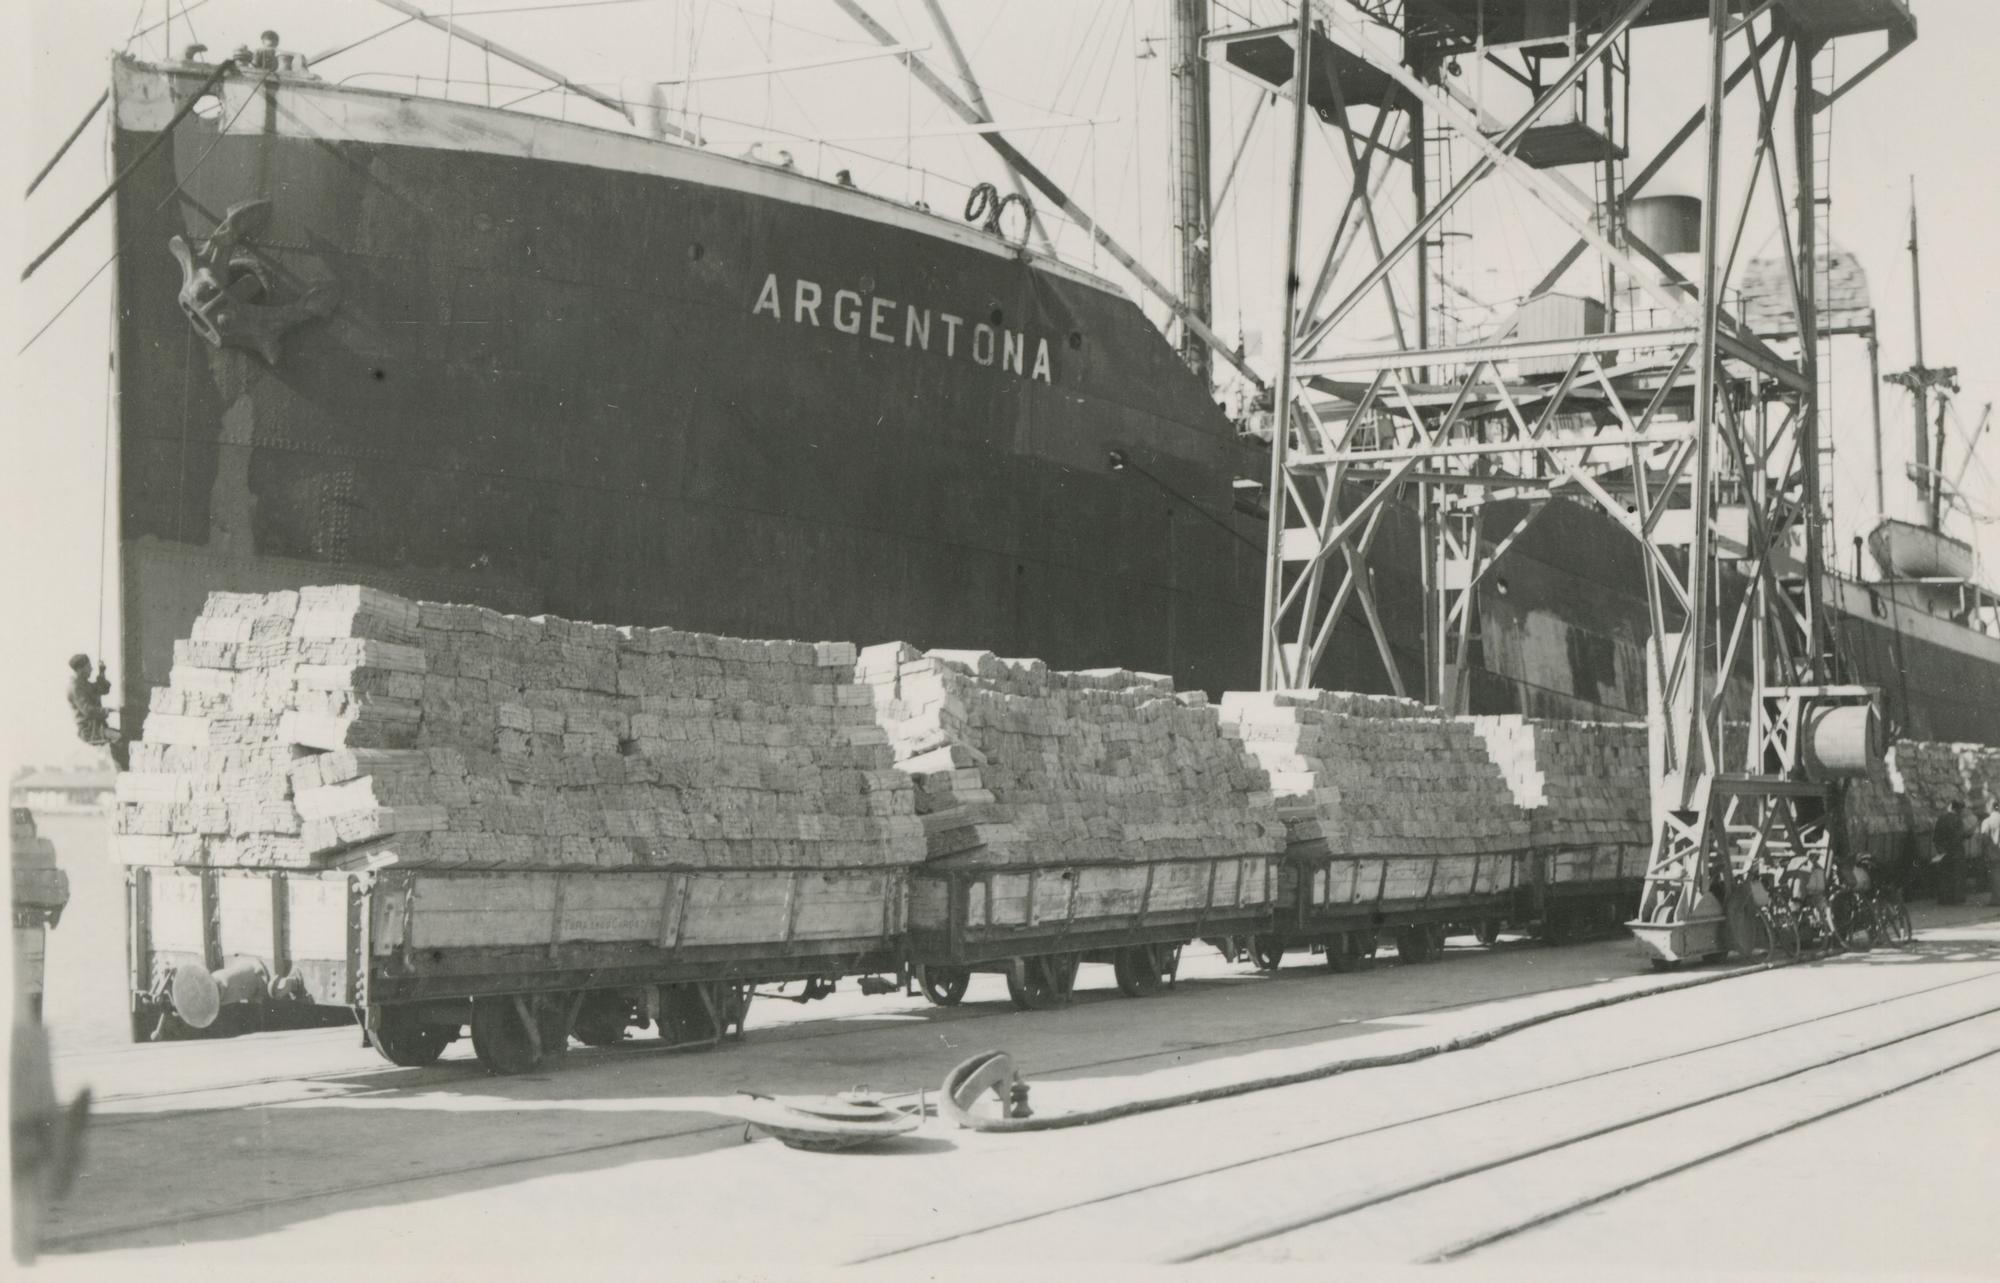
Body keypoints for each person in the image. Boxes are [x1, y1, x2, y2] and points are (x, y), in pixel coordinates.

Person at [66, 654, 127, 771]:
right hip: (89, 730)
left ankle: (122, 770)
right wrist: (108, 710)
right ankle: (122, 771)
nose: (91, 669)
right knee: (118, 738)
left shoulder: (83, 684)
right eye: (89, 667)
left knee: (121, 737)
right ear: (80, 669)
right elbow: (87, 710)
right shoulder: (76, 687)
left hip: (96, 727)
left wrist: (102, 672)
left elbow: (101, 689)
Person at [1931, 800, 1968, 906]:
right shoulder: (1958, 820)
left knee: (1944, 876)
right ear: (1957, 810)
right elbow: (1959, 836)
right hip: (1955, 852)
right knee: (1957, 875)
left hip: (1943, 851)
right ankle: (1955, 899)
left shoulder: (1941, 819)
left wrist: (1941, 850)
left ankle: (1943, 899)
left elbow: (1935, 837)